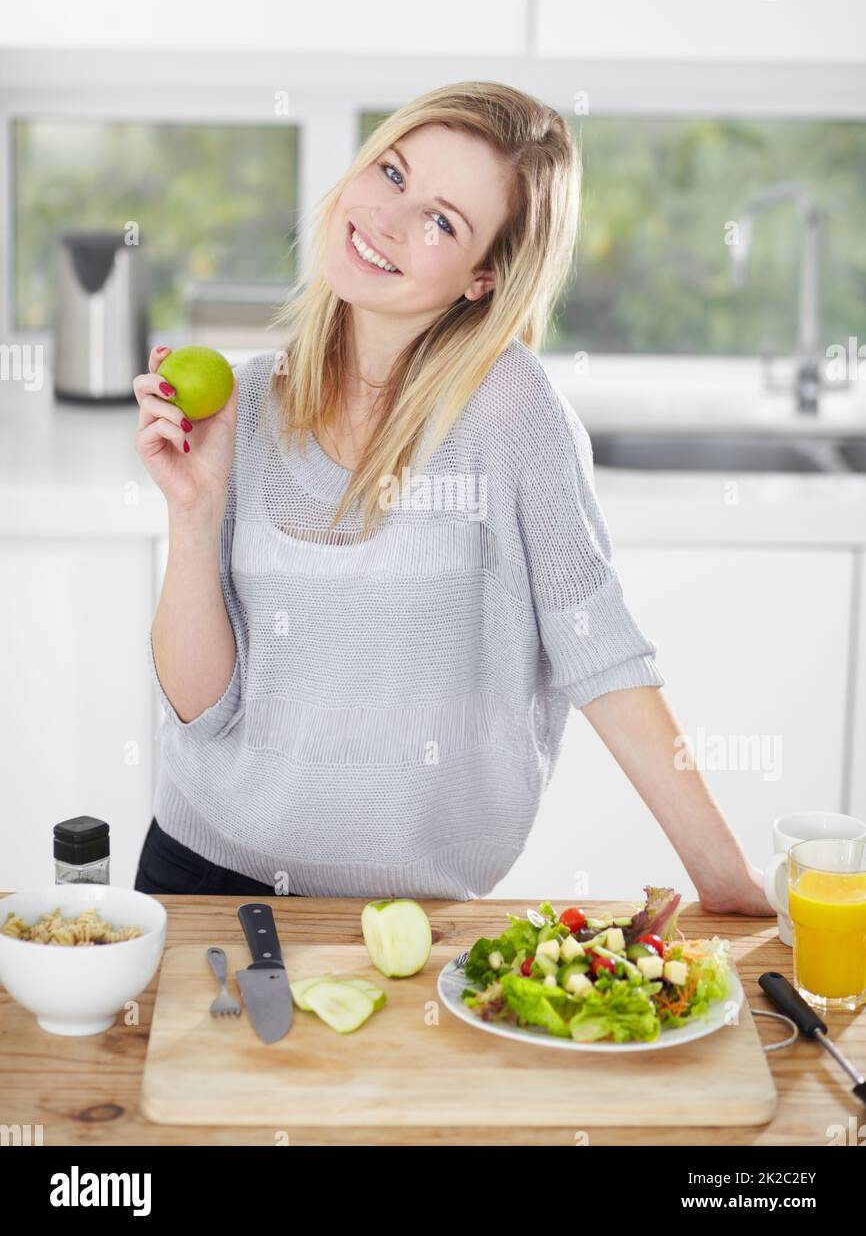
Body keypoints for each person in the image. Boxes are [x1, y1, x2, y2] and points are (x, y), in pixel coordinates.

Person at [133, 79, 774, 915]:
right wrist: (194, 512)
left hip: (407, 920)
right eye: (394, 175)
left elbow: (602, 653)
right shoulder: (246, 403)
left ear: (482, 278)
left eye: (442, 221)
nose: (389, 221)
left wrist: (727, 885)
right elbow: (197, 711)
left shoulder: (510, 413)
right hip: (198, 881)